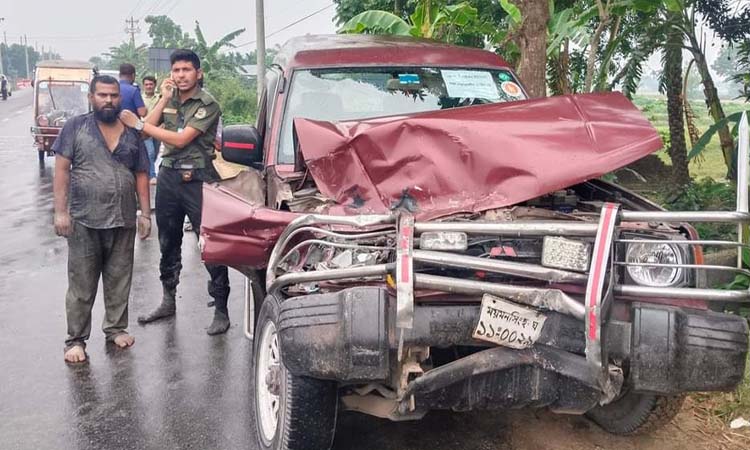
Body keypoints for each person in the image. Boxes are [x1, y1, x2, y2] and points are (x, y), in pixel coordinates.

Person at [120, 49, 231, 335]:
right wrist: (163, 99)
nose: (181, 75)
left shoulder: (207, 104)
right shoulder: (169, 99)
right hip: (169, 176)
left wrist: (141, 124)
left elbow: (180, 139)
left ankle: (221, 308)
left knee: (210, 244)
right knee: (168, 241)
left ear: (198, 73)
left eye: (186, 70)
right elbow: (146, 134)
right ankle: (168, 300)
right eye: (176, 70)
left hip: (197, 178)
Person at [53, 75, 152, 363]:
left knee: (120, 278)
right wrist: (60, 211)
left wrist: (145, 214)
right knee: (82, 283)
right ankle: (75, 339)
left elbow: (141, 174)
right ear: (91, 97)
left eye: (113, 96)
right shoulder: (76, 127)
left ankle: (116, 328)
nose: (108, 100)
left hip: (122, 217)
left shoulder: (132, 132)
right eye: (102, 95)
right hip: (84, 217)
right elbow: (61, 170)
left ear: (120, 98)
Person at [142, 75, 161, 184]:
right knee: (150, 152)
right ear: (143, 86)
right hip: (145, 130)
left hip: (157, 130)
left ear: (155, 85)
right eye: (146, 84)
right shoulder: (140, 98)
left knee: (156, 152)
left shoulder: (160, 98)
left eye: (151, 84)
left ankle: (147, 170)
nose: (149, 86)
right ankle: (152, 176)